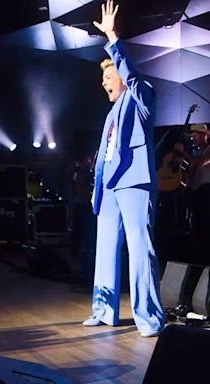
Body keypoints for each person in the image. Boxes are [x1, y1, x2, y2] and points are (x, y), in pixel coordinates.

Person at [84, 0, 164, 337]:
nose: (104, 82)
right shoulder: (110, 114)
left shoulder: (142, 95)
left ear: (121, 73)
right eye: (103, 77)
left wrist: (113, 38)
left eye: (108, 75)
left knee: (139, 249)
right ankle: (104, 312)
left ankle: (148, 317)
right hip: (109, 188)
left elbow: (130, 73)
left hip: (134, 182)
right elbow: (104, 154)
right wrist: (96, 188)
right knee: (105, 248)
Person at [175, 123, 210, 255]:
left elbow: (202, 162)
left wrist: (184, 152)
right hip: (197, 190)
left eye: (195, 135)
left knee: (206, 220)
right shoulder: (197, 151)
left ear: (204, 136)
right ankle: (199, 247)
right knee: (197, 221)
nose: (193, 138)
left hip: (207, 189)